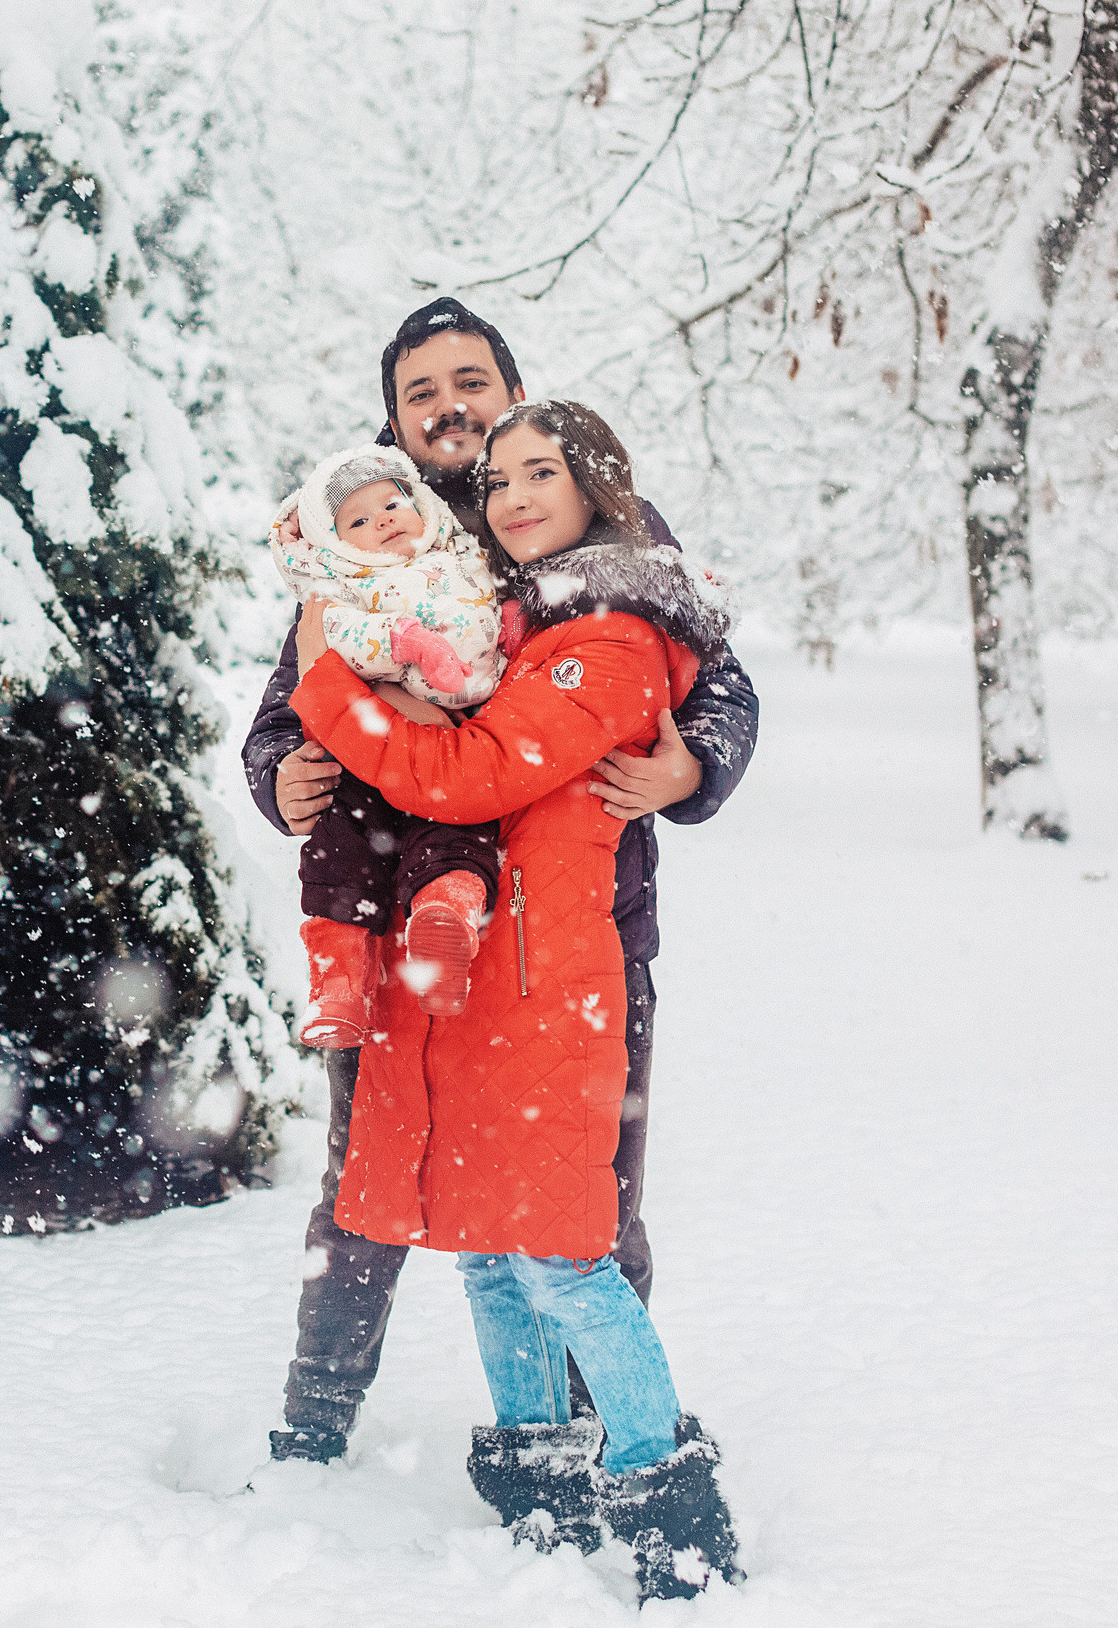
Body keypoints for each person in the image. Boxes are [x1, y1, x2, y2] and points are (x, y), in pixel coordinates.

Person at [242, 297, 760, 1462]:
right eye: (421, 391)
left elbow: (715, 671)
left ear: (512, 389)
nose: (450, 407)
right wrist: (278, 774)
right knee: (363, 1189)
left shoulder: (584, 524)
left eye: (469, 380)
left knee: (583, 1204)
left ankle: (588, 1428)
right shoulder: (369, 535)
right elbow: (289, 700)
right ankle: (315, 1429)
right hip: (396, 927)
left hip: (580, 933)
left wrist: (695, 758)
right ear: (392, 419)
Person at [266, 445, 506, 1045]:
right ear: (338, 545)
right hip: (362, 754)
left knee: (458, 826)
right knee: (341, 851)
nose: (384, 520)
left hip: (452, 750)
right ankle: (339, 983)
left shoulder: (465, 557)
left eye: (393, 503)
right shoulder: (342, 587)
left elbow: (494, 611)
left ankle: (444, 917)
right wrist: (402, 643)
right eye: (359, 522)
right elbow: (325, 648)